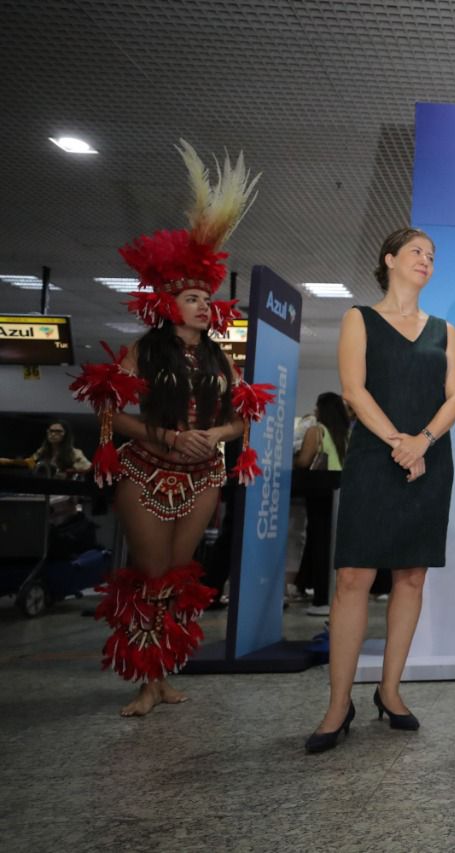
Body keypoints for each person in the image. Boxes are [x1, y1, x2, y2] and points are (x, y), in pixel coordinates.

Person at [70, 140, 270, 717]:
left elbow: (242, 417)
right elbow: (109, 410)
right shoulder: (142, 352)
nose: (205, 306)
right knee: (148, 574)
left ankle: (164, 674)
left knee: (180, 579)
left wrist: (217, 437)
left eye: (208, 299)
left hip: (203, 475)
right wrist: (162, 437)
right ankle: (145, 682)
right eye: (193, 298)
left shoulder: (220, 360)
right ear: (169, 303)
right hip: (146, 473)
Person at [305, 227, 455, 753]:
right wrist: (401, 443)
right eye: (417, 251)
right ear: (389, 258)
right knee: (353, 576)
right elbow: (353, 391)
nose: (427, 260)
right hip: (376, 457)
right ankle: (337, 703)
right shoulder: (360, 319)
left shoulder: (443, 330)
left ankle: (390, 691)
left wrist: (421, 443)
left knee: (412, 577)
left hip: (428, 455)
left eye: (433, 255)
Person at [293, 391, 350, 615]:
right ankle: (313, 586)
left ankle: (320, 596)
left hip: (317, 488)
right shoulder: (347, 434)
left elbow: (305, 461)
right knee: (329, 541)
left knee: (317, 538)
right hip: (340, 490)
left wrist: (295, 459)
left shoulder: (316, 431)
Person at [0, 420, 92, 478]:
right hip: (44, 488)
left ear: (65, 434)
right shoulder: (43, 450)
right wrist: (8, 461)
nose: (53, 434)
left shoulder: (74, 453)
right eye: (51, 431)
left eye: (58, 431)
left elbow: (88, 468)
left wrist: (68, 473)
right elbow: (29, 462)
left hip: (64, 492)